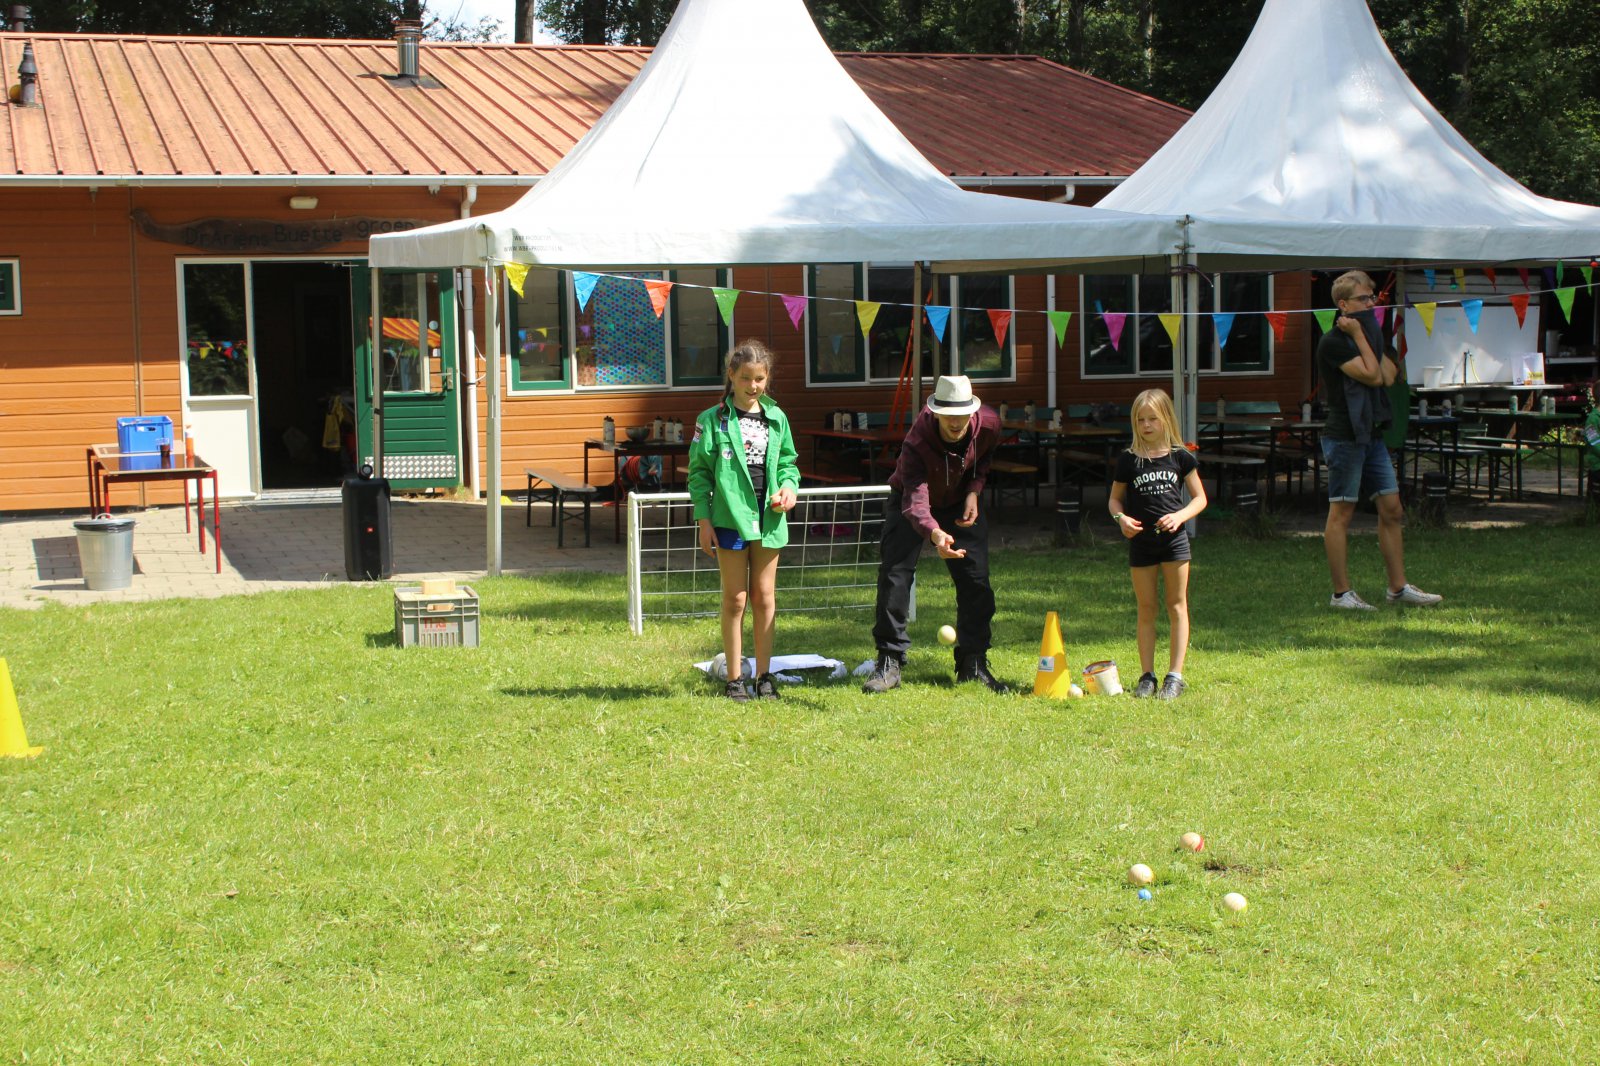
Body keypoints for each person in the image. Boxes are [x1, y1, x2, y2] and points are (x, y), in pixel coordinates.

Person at [862, 375, 1012, 694]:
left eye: (962, 415)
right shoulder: (917, 441)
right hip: (912, 500)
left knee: (976, 580)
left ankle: (973, 663)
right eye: (949, 415)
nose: (956, 422)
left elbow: (983, 458)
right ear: (936, 413)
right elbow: (915, 500)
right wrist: (935, 534)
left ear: (973, 412)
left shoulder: (989, 424)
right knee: (895, 574)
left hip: (959, 499)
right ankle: (889, 661)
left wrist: (974, 490)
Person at [1317, 270, 1442, 610]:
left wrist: (1365, 337)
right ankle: (1341, 594)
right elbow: (1371, 375)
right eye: (1363, 299)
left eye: (1373, 297)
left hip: (1371, 434)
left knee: (1392, 508)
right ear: (1343, 305)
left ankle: (1398, 588)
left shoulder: (1371, 335)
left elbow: (1388, 376)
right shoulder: (1332, 342)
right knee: (1342, 513)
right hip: (1344, 436)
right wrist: (1358, 336)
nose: (1372, 303)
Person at [687, 341, 800, 701]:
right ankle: (734, 680)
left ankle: (765, 677)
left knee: (764, 598)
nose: (753, 386)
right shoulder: (710, 420)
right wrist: (704, 521)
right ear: (731, 376)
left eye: (760, 379)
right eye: (746, 378)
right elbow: (699, 475)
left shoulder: (777, 418)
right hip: (729, 520)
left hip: (769, 521)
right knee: (735, 599)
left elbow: (788, 464)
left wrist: (788, 488)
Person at [1107, 388, 1207, 701]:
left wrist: (1180, 517)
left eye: (1153, 418)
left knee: (1177, 606)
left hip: (1175, 544)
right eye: (1140, 419)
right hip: (1141, 544)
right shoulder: (1129, 460)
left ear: (1166, 419)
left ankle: (1175, 676)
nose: (1147, 425)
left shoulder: (1181, 457)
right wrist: (1121, 519)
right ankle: (1147, 676)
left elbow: (1201, 498)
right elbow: (1114, 500)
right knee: (1146, 608)